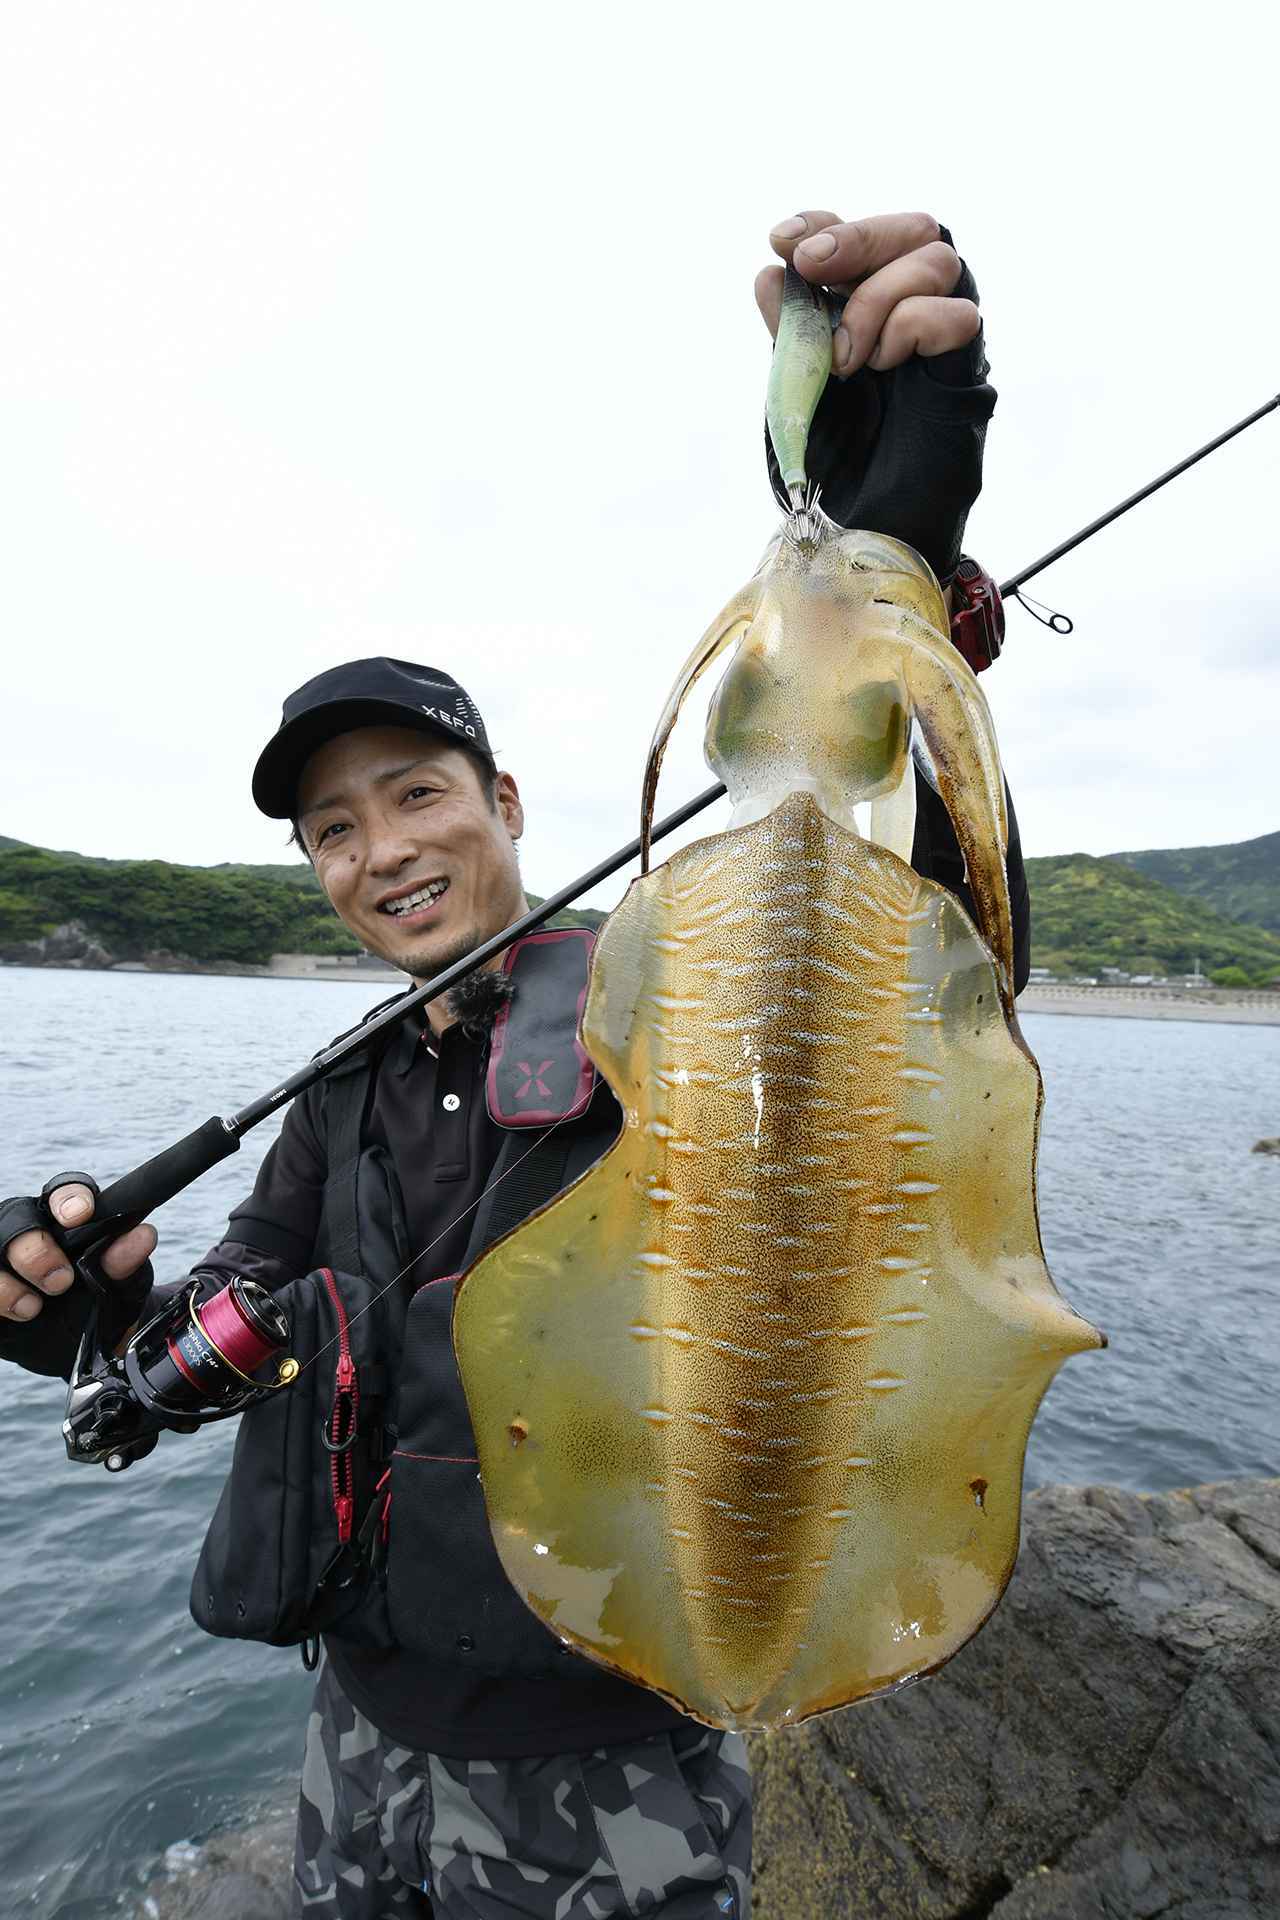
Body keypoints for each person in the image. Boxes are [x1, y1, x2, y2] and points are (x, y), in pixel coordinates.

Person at [0, 208, 1029, 1919]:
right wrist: (96, 1327)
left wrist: (896, 558)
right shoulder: (342, 1092)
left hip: (606, 1763)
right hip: (359, 1732)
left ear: (507, 809)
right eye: (333, 829)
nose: (379, 849)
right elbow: (256, 1311)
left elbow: (888, 989)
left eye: (416, 793)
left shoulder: (660, 1003)